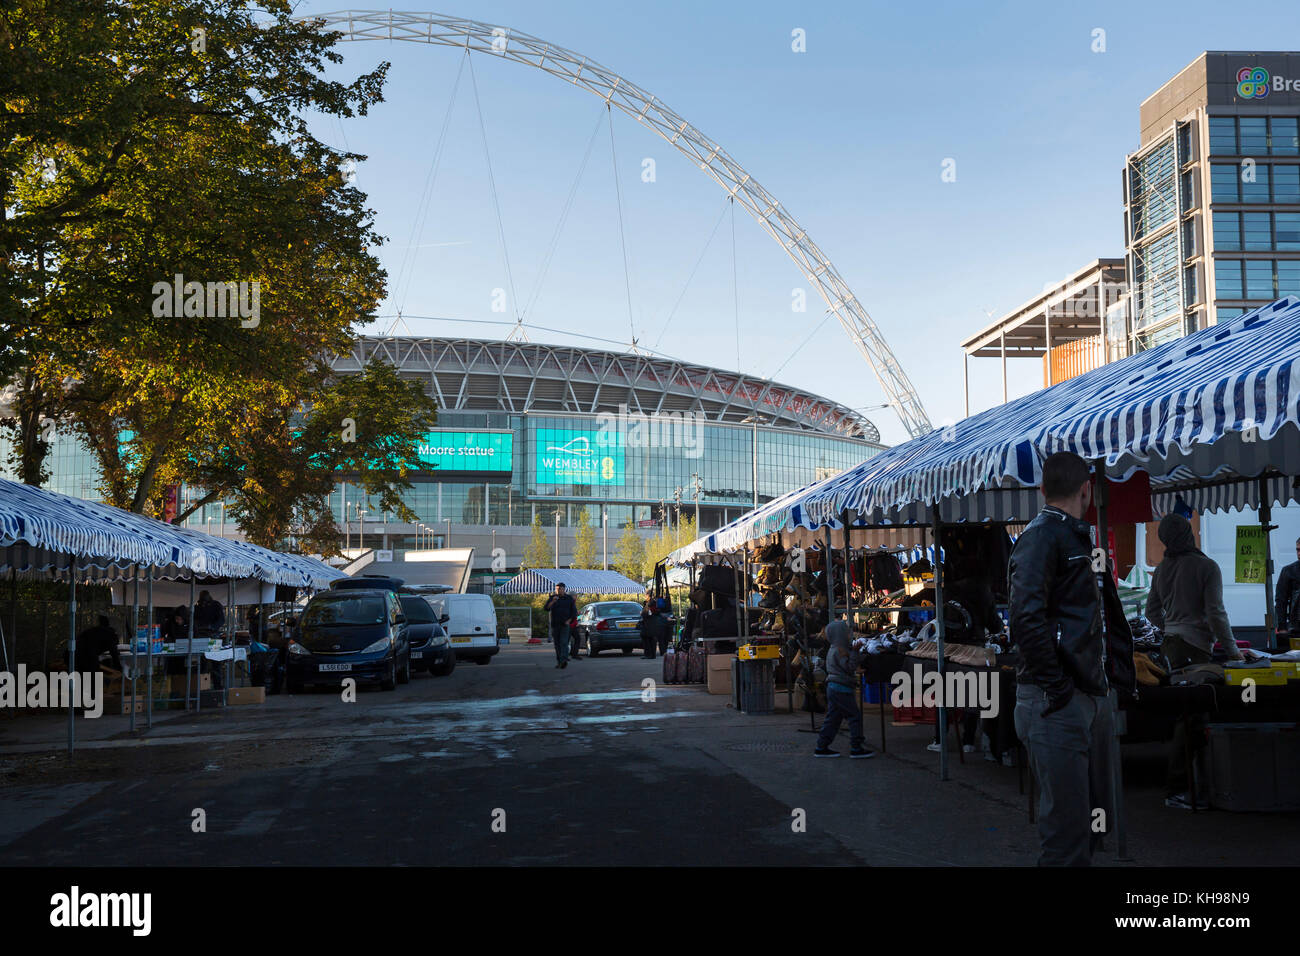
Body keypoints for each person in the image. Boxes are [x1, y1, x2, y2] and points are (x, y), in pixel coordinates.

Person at [1009, 451, 1115, 867]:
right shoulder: (1042, 537)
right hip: (1056, 701)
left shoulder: (1070, 536)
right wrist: (1059, 689)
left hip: (1077, 695)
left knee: (1089, 825)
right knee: (1068, 836)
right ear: (1088, 489)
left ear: (1041, 489)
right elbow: (1025, 620)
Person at [1146, 512, 1253, 810]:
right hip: (1195, 648)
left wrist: (1170, 626)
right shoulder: (1207, 566)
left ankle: (1187, 785)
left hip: (1170, 645)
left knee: (1185, 715)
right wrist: (1233, 653)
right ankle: (1179, 788)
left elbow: (1151, 612)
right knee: (1193, 718)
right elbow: (1216, 613)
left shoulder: (1163, 568)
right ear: (1188, 534)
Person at [813, 614, 874, 758]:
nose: (848, 634)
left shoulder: (835, 649)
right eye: (846, 632)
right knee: (854, 717)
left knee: (833, 719)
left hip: (833, 688)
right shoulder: (840, 651)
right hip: (841, 688)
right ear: (840, 634)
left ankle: (821, 746)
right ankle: (856, 748)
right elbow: (850, 667)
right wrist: (855, 651)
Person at [544, 583, 578, 669]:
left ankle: (564, 660)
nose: (558, 590)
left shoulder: (569, 599)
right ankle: (559, 661)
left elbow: (574, 612)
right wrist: (553, 601)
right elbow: (546, 608)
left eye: (560, 589)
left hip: (565, 624)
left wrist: (569, 621)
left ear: (564, 589)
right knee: (557, 644)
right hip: (555, 624)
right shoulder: (553, 598)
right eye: (557, 589)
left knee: (564, 642)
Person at [1275, 537, 1300, 641]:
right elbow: (1281, 600)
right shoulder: (1289, 571)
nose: (1299, 553)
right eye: (1298, 550)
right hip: (1296, 626)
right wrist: (1282, 626)